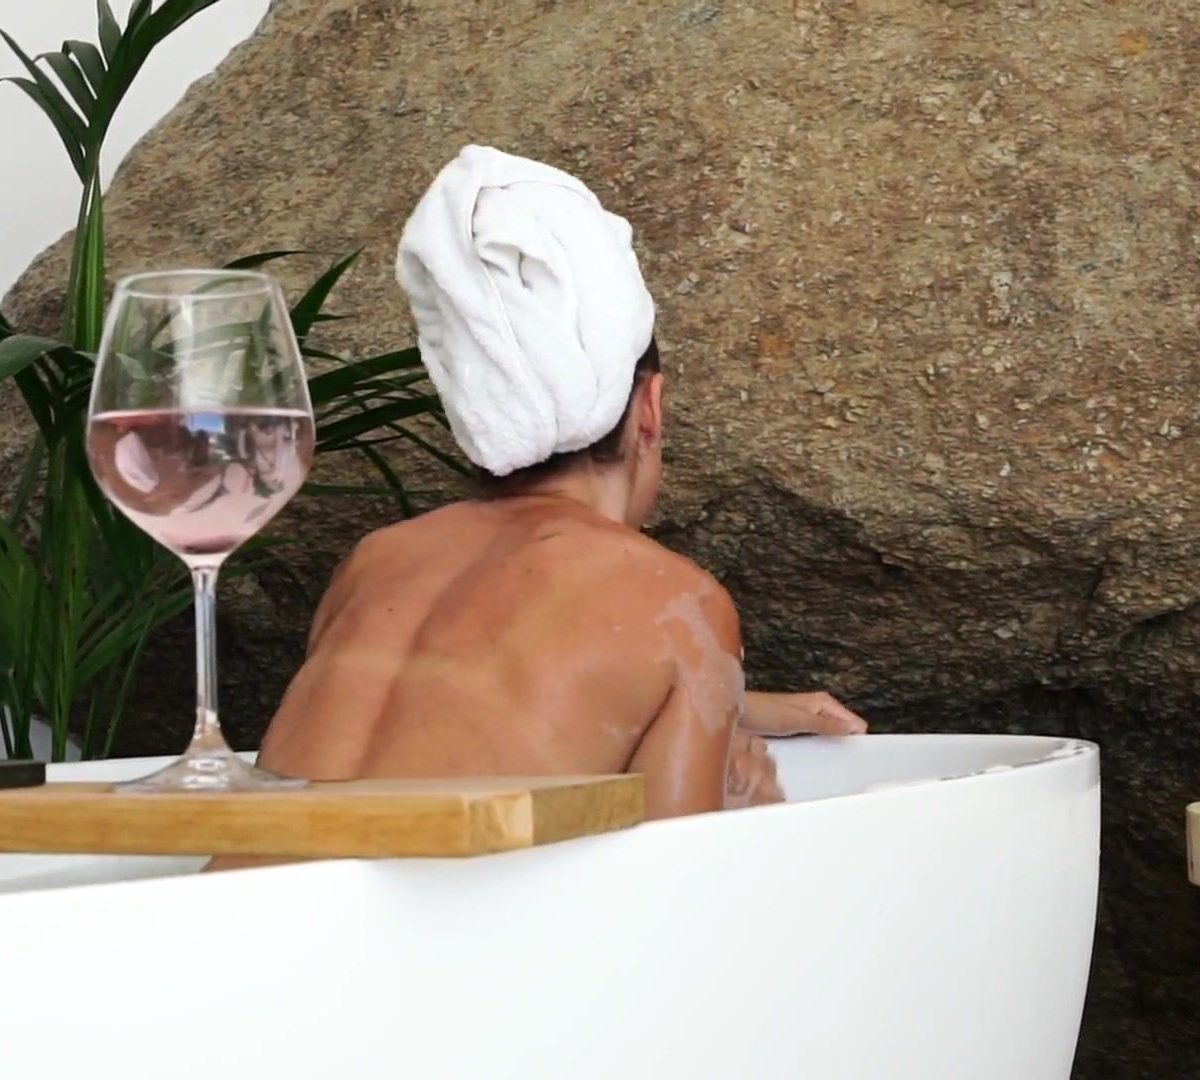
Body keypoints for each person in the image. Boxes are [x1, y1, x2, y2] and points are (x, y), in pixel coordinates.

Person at [253, 146, 865, 819]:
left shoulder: (375, 562)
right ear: (650, 411)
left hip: (230, 888)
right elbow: (675, 869)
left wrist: (732, 701)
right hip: (400, 897)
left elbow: (449, 717)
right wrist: (737, 800)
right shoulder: (677, 605)